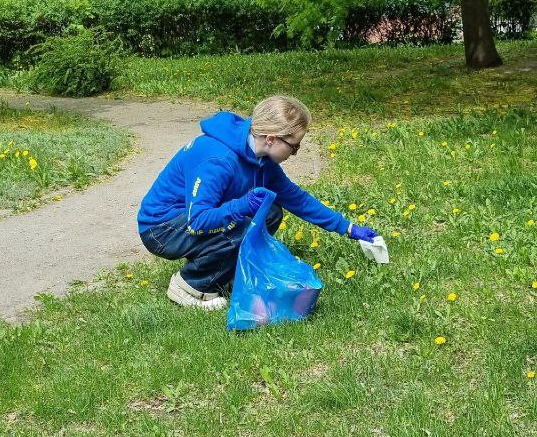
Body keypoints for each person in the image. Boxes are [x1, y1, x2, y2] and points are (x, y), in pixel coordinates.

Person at [137, 94, 377, 310]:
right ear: (271, 138)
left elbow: (297, 199)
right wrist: (242, 206)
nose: (295, 153)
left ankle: (223, 273)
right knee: (242, 226)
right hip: (162, 228)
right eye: (294, 146)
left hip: (189, 220)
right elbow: (197, 221)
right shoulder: (218, 159)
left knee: (270, 212)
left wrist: (348, 228)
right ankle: (190, 286)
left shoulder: (262, 159)